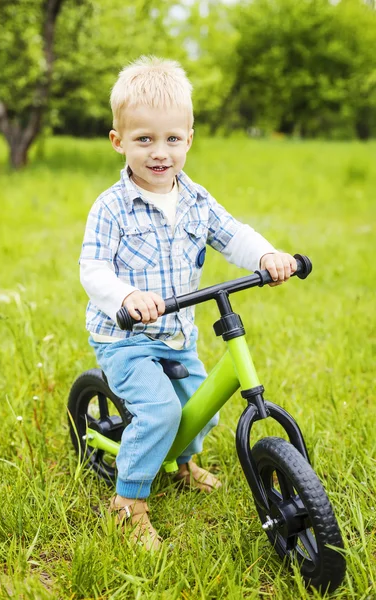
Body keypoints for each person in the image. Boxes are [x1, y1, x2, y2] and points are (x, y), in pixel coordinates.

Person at [80, 56, 297, 550]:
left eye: (172, 139)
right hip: (127, 338)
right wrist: (128, 296)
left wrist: (266, 254)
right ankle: (129, 501)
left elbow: (232, 234)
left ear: (189, 138)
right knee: (160, 411)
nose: (160, 153)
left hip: (177, 335)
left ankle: (182, 462)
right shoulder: (111, 207)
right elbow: (92, 269)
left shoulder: (197, 200)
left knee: (203, 408)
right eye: (144, 140)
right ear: (119, 142)